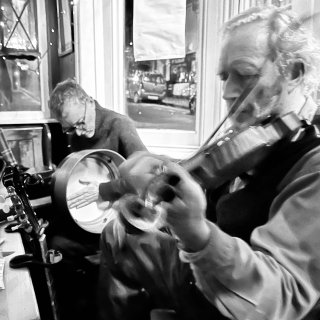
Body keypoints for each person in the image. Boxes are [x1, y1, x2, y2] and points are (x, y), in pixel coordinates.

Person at [70, 6, 320, 320]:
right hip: (209, 269)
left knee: (118, 243)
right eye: (224, 76)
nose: (227, 92)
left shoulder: (313, 165)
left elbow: (281, 295)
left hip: (231, 302)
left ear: (294, 72)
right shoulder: (258, 132)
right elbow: (196, 173)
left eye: (244, 75)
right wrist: (143, 176)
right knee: (117, 233)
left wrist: (195, 232)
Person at [48, 78, 147, 320]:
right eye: (70, 128)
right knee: (55, 242)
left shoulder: (120, 125)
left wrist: (104, 190)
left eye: (80, 123)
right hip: (90, 222)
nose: (78, 132)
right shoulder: (76, 131)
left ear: (88, 101)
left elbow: (145, 174)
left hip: (120, 220)